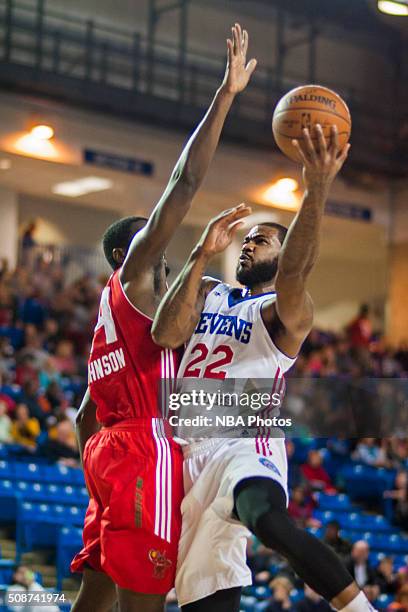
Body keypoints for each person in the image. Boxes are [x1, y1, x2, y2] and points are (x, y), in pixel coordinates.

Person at [70, 23, 257, 612]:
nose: (165, 258)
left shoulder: (108, 314)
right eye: (155, 249)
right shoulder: (133, 278)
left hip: (109, 453)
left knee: (94, 594)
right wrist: (224, 97)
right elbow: (184, 182)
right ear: (131, 255)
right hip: (143, 451)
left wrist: (104, 473)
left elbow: (83, 415)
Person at [152, 126, 377, 612]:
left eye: (263, 241)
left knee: (268, 520)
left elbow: (296, 269)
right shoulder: (210, 289)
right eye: (247, 239)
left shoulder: (285, 312)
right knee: (204, 598)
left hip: (243, 438)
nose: (249, 245)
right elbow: (166, 334)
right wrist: (198, 255)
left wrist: (315, 188)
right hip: (186, 453)